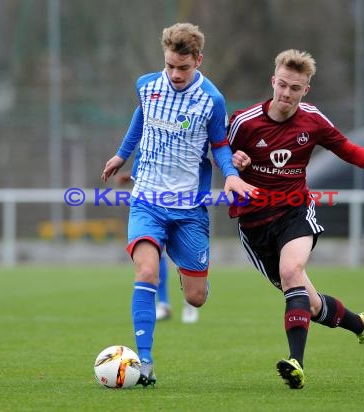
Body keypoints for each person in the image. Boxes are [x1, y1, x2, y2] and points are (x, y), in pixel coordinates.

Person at [227, 49, 364, 389]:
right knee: (309, 303)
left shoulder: (312, 119)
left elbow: (345, 147)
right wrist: (235, 163)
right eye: (282, 85)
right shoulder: (244, 122)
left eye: (295, 88)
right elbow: (218, 154)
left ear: (306, 89)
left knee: (292, 271)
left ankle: (297, 363)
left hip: (295, 211)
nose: (287, 94)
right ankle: (360, 325)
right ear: (272, 81)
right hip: (253, 224)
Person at [101, 22, 256, 387]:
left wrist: (231, 174)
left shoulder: (212, 100)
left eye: (183, 67)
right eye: (170, 65)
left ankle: (188, 266)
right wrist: (122, 155)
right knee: (147, 273)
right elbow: (141, 117)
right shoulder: (147, 85)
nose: (175, 74)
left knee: (196, 298)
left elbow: (219, 144)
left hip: (189, 209)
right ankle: (146, 364)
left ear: (198, 60)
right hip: (147, 200)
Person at [115, 172, 200, 323]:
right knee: (155, 253)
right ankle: (164, 304)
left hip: (185, 200)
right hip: (154, 201)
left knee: (186, 255)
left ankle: (191, 297)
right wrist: (132, 174)